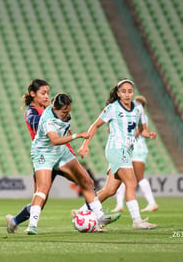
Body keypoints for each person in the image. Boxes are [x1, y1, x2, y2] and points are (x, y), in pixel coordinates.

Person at [25, 93, 120, 235]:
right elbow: (55, 140)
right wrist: (78, 135)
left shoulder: (63, 114)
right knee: (43, 188)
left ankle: (100, 217)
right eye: (64, 112)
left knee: (87, 181)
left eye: (69, 111)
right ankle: (32, 225)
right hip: (43, 153)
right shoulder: (48, 120)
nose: (67, 114)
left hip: (60, 152)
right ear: (55, 108)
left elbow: (60, 137)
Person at [77, 79, 157, 229]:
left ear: (133, 93)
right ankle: (137, 221)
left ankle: (81, 212)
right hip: (115, 149)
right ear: (118, 93)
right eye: (124, 91)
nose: (127, 94)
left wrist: (148, 134)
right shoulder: (112, 108)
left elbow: (142, 129)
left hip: (126, 151)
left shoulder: (138, 109)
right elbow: (95, 125)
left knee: (110, 190)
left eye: (130, 91)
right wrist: (85, 144)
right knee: (131, 182)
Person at [5, 79, 81, 234]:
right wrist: (51, 112)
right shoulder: (31, 112)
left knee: (85, 182)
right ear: (33, 94)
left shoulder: (52, 110)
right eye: (43, 93)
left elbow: (65, 127)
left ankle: (92, 215)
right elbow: (39, 125)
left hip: (60, 154)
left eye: (48, 93)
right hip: (44, 157)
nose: (47, 96)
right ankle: (15, 221)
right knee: (41, 199)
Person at [112, 95, 158, 213]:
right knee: (124, 176)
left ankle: (152, 203)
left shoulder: (142, 117)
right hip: (132, 149)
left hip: (137, 149)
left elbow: (137, 132)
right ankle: (119, 204)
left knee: (138, 176)